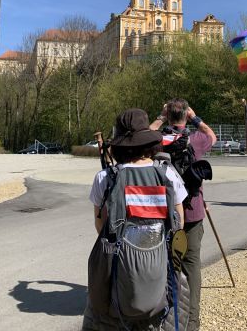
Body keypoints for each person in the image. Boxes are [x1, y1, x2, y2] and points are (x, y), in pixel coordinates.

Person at [83, 108, 188, 331]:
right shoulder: (167, 173)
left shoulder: (105, 178)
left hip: (118, 274)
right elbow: (179, 222)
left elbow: (101, 225)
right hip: (160, 268)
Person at [150, 99, 216, 331]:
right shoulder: (195, 140)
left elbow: (143, 135)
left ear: (168, 116)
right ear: (185, 115)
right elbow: (212, 135)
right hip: (193, 209)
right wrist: (195, 118)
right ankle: (192, 321)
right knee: (191, 264)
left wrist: (160, 116)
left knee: (165, 263)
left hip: (163, 211)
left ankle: (164, 313)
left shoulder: (157, 141)